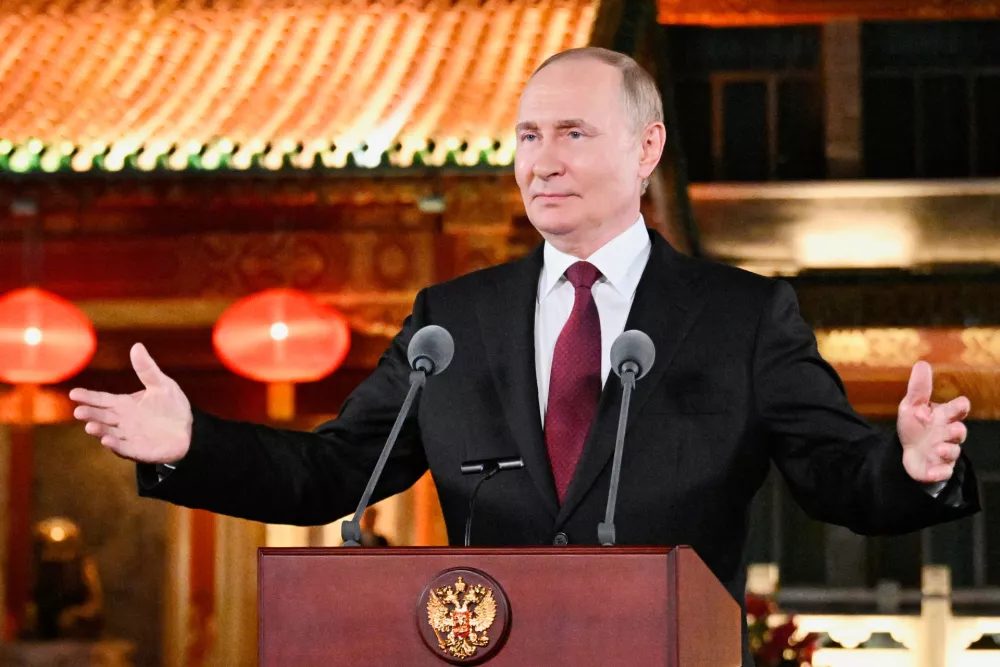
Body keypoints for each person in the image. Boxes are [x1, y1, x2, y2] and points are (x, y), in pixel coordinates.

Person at [69, 47, 979, 665]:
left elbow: (831, 476)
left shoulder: (742, 314)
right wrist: (190, 443)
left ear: (646, 147)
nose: (542, 161)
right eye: (528, 136)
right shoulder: (451, 321)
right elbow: (334, 468)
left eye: (574, 134)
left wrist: (906, 464)